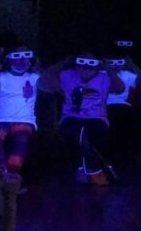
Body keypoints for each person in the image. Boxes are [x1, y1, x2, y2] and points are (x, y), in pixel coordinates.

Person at [43, 52, 125, 186]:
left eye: (91, 65)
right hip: (71, 116)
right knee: (76, 130)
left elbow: (120, 88)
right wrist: (64, 63)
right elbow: (46, 76)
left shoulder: (104, 78)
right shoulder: (67, 75)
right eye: (82, 64)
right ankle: (94, 169)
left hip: (96, 117)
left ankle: (84, 167)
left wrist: (108, 68)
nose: (86, 68)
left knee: (88, 131)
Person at [0, 47, 40, 172]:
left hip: (24, 120)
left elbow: (49, 84)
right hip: (0, 119)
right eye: (17, 57)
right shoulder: (1, 77)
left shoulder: (34, 77)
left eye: (26, 56)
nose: (22, 60)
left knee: (20, 146)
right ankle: (1, 172)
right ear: (9, 59)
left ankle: (12, 175)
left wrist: (37, 64)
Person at [104, 43, 141, 154]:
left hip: (123, 105)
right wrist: (107, 68)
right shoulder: (102, 74)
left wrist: (131, 63)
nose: (115, 65)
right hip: (105, 105)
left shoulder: (126, 74)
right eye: (112, 62)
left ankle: (130, 153)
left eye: (119, 62)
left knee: (137, 121)